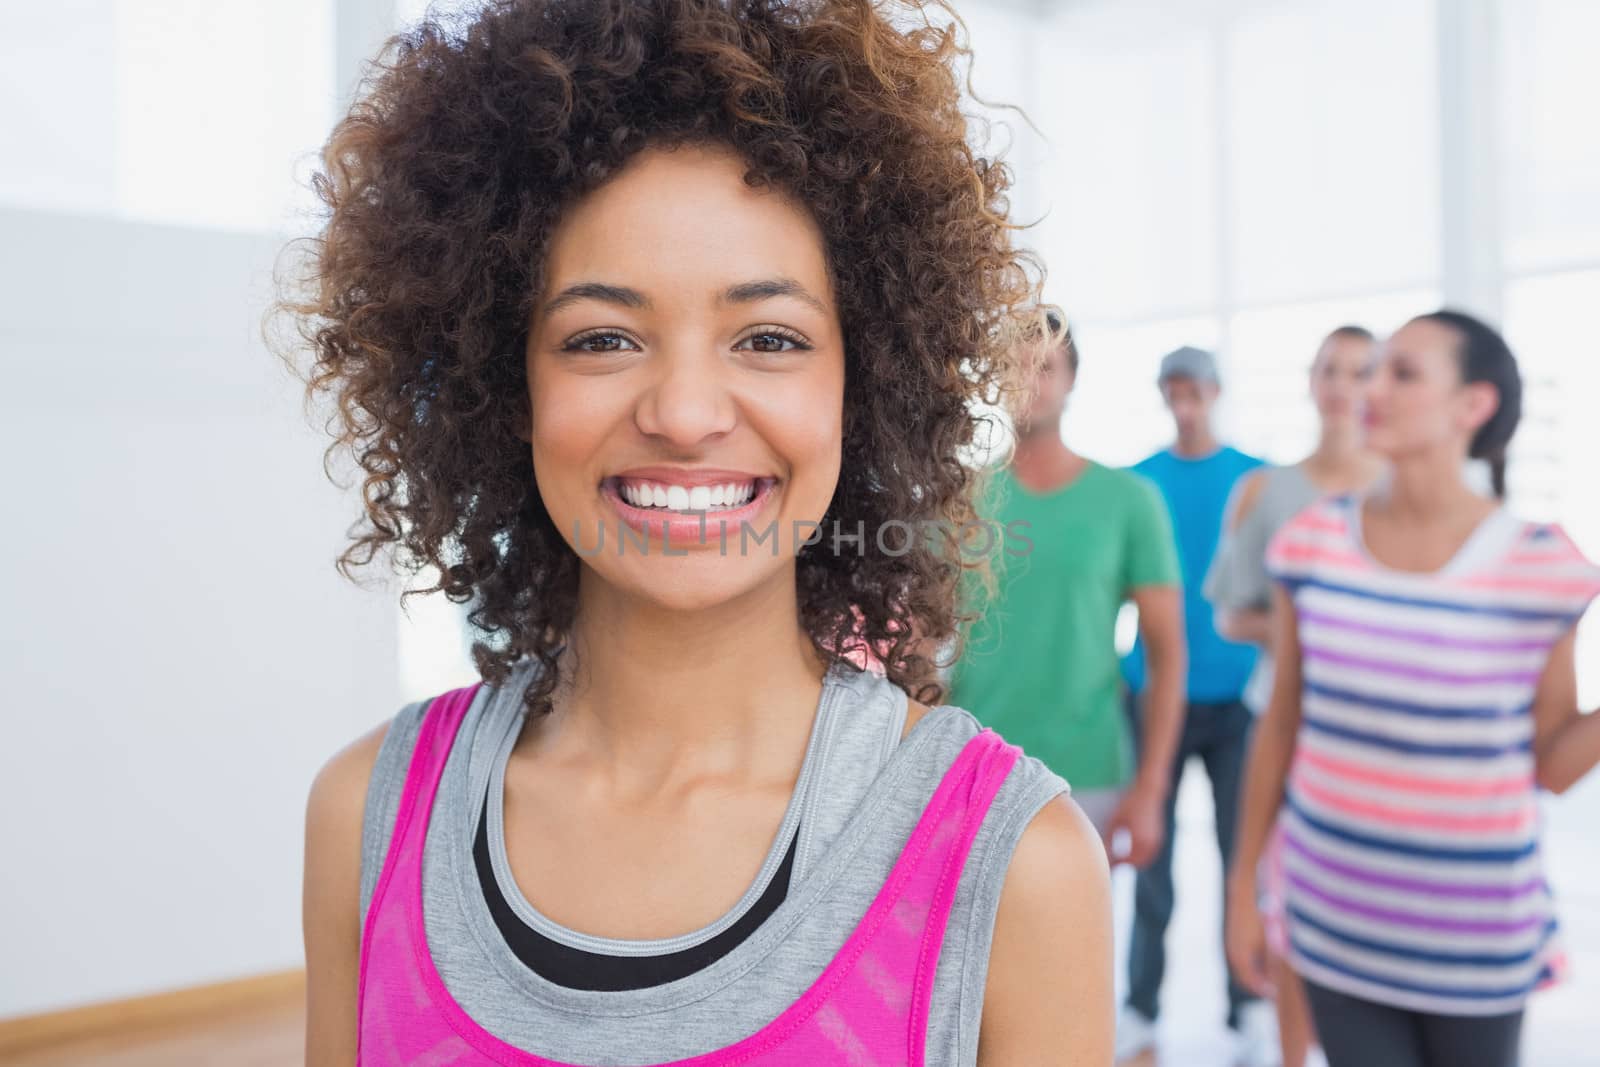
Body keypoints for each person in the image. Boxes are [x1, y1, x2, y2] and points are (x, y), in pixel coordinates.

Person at [289, 2, 1114, 1065]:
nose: (684, 412)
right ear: (506, 386)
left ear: (864, 388)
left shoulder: (1012, 864)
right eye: (602, 336)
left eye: (769, 337)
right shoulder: (368, 815)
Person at [1226, 310, 1600, 1067]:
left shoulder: (1541, 565)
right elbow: (1281, 729)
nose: (1373, 388)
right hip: (1336, 925)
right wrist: (1245, 894)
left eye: (1404, 372)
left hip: (1477, 945)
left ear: (1474, 404)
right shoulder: (1315, 543)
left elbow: (1554, 767)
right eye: (1373, 370)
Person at [1204, 325, 1387, 1067]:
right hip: (1287, 724)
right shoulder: (1267, 492)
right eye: (1330, 370)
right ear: (1312, 382)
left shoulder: (1401, 490)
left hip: (1379, 733)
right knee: (1290, 908)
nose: (1343, 384)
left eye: (1360, 371)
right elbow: (1230, 610)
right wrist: (1300, 628)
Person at [949, 311, 1187, 867]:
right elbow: (917, 639)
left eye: (1045, 365)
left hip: (1088, 773)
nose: (1030, 379)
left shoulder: (1128, 500)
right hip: (968, 771)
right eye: (1013, 366)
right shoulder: (957, 500)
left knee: (1081, 952)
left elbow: (1167, 656)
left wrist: (1152, 789)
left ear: (1071, 378)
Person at [1118, 345, 1271, 1063]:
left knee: (1242, 853)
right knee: (1154, 862)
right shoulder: (1138, 483)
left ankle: (1247, 1005)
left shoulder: (1255, 481)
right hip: (1154, 696)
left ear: (1216, 391)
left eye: (1195, 392)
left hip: (1239, 697)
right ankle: (1141, 1006)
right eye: (1172, 393)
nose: (1185, 405)